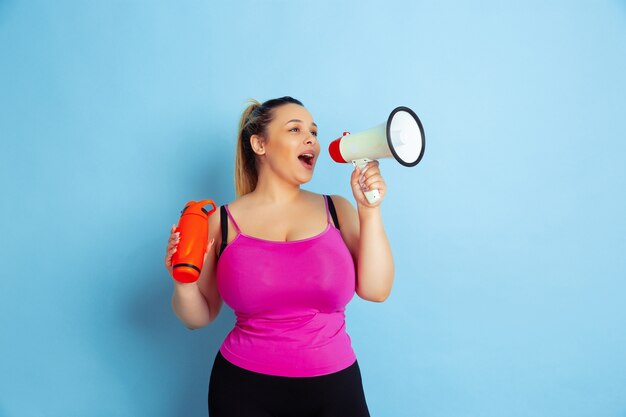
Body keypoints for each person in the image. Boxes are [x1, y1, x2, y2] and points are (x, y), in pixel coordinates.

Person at [164, 96, 394, 417]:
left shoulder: (338, 210)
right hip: (243, 389)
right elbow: (198, 317)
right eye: (295, 129)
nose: (310, 139)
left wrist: (370, 210)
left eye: (313, 131)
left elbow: (376, 290)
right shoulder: (220, 222)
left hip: (335, 387)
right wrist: (183, 284)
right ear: (260, 144)